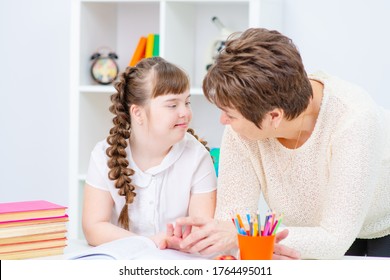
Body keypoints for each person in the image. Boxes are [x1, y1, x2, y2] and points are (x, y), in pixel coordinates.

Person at [175, 28, 390, 260]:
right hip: (313, 234)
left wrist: (244, 237)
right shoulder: (241, 126)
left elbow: (334, 240)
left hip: (382, 223)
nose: (223, 121)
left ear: (274, 116)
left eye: (230, 115)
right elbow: (231, 222)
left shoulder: (353, 120)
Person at [82, 57, 217, 250]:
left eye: (187, 102)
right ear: (137, 113)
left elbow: (201, 232)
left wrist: (178, 242)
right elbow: (93, 228)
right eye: (172, 105)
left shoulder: (197, 157)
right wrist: (149, 243)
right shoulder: (103, 155)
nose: (185, 113)